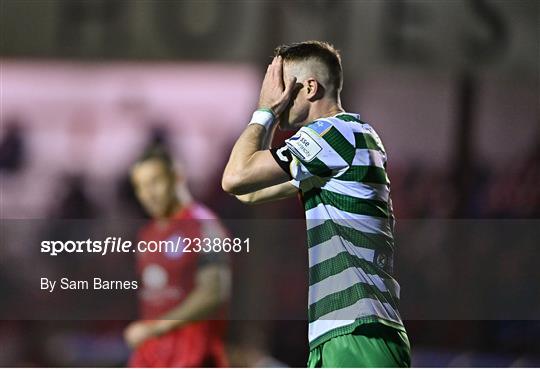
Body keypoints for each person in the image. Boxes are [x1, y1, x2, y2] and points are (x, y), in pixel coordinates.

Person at [222, 41, 411, 367]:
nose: (278, 99)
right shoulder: (339, 146)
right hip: (341, 332)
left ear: (310, 87)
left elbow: (234, 177)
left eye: (283, 89)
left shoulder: (334, 135)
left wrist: (264, 112)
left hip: (359, 333)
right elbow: (247, 192)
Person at [126, 146, 231, 367]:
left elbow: (214, 292)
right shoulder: (147, 234)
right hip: (152, 356)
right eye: (140, 187)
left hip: (193, 357)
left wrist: (155, 327)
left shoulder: (203, 226)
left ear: (177, 177)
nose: (148, 194)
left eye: (155, 182)